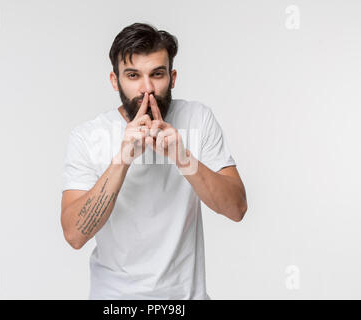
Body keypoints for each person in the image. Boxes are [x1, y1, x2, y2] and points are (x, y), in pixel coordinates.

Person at [60, 22, 247, 300]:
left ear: (172, 77)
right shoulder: (88, 136)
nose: (147, 89)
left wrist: (182, 158)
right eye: (133, 75)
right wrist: (123, 158)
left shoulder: (198, 119)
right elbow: (75, 235)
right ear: (115, 80)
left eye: (157, 74)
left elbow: (236, 209)